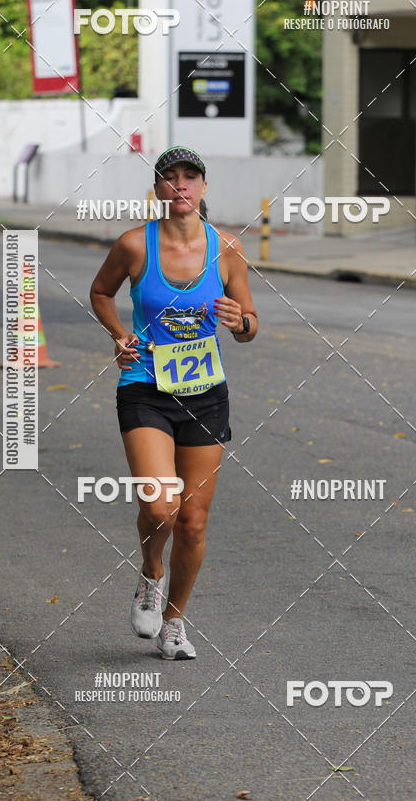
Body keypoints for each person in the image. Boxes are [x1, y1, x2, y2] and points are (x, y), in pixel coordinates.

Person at [90, 146, 258, 660]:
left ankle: (175, 621)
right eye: (170, 178)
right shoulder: (135, 245)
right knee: (160, 507)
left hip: (206, 394)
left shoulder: (226, 248)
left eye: (190, 177)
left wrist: (241, 323)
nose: (180, 186)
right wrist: (120, 333)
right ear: (159, 190)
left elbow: (250, 324)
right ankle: (150, 574)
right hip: (145, 386)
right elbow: (100, 292)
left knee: (194, 520)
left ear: (203, 187)